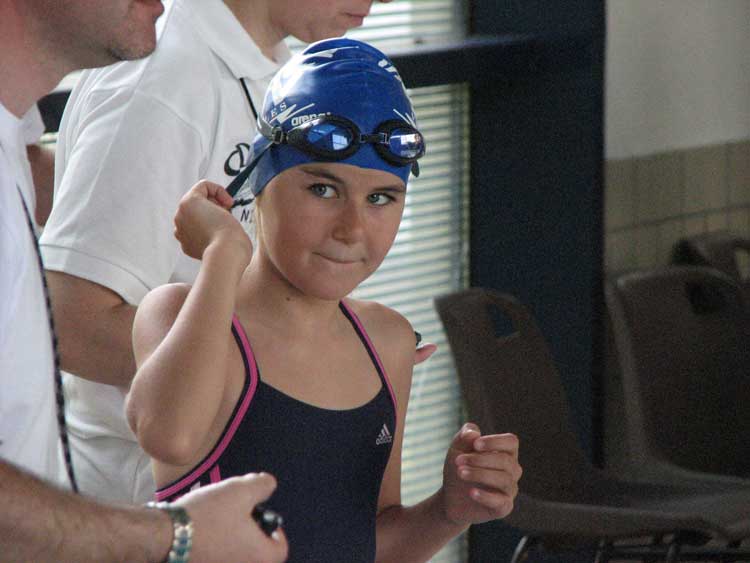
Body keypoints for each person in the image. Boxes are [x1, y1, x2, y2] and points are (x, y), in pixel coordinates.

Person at [126, 38, 522, 562]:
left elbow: (368, 543)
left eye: (380, 198)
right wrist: (223, 251)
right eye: (323, 190)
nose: (351, 228)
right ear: (259, 180)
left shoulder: (386, 342)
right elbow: (169, 437)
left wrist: (449, 511)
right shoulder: (178, 315)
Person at [37, 0, 432, 505]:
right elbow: (70, 323)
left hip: (240, 493)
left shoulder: (274, 70)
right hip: (139, 502)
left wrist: (334, 350)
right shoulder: (166, 82)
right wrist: (305, 363)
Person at [0, 1, 287, 561]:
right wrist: (171, 535)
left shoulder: (14, 139)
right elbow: (75, 322)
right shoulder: (161, 80)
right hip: (132, 493)